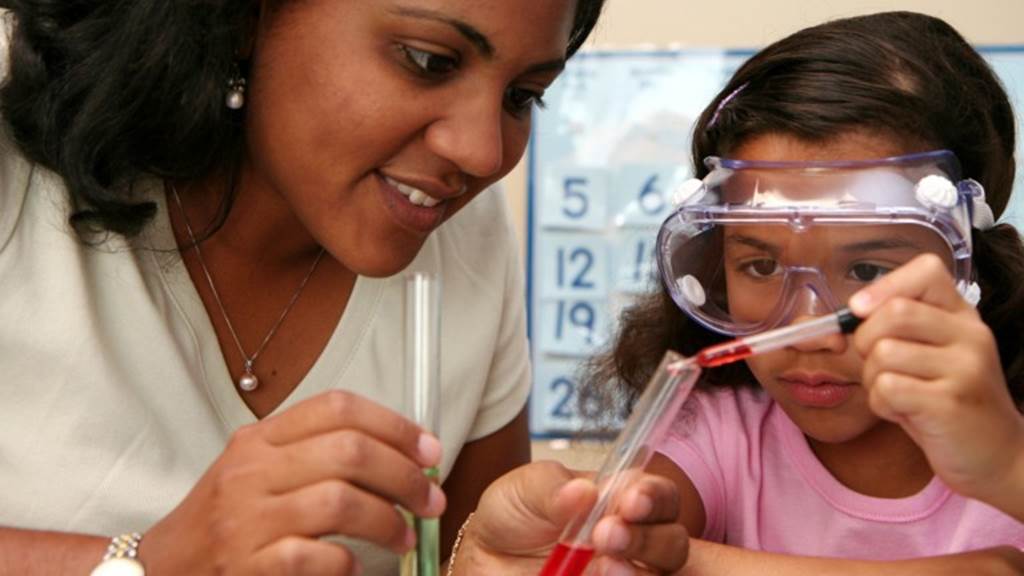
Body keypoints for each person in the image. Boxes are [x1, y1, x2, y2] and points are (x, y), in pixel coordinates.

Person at [0, 1, 690, 575]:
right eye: (429, 61)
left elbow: (457, 552)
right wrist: (146, 563)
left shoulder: (466, 237)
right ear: (245, 18)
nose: (483, 154)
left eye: (522, 96)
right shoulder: (15, 164)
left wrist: (493, 561)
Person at [583, 10, 1024, 574]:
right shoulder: (715, 433)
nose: (803, 332)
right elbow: (621, 550)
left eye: (867, 270)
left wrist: (1009, 467)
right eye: (761, 265)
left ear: (968, 262)